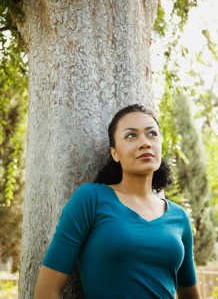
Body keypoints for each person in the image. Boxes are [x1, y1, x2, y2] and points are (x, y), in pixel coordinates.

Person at [34, 104, 202, 299]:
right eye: (131, 135)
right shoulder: (91, 199)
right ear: (115, 153)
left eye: (152, 134)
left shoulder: (179, 217)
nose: (145, 143)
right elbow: (46, 292)